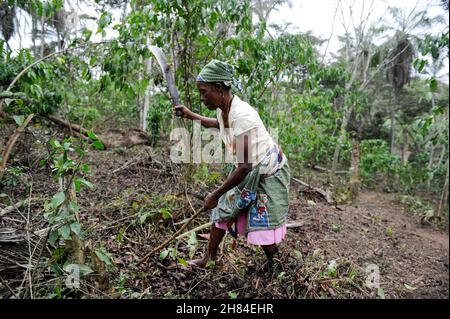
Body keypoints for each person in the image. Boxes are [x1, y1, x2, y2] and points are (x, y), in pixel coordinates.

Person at [173, 60, 290, 268]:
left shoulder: (243, 116)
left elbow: (244, 167)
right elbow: (218, 124)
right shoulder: (223, 108)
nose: (202, 97)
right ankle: (209, 257)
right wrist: (190, 115)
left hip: (268, 172)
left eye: (203, 92)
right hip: (249, 170)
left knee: (262, 226)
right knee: (223, 210)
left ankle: (279, 268)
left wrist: (215, 194)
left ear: (219, 89)